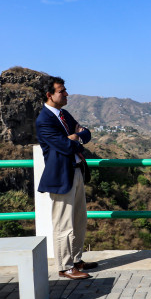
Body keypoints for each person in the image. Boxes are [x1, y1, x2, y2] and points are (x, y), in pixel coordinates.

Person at [36, 76, 98, 280]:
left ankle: (77, 260)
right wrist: (74, 137)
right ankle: (65, 266)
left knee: (79, 220)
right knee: (64, 224)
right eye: (61, 91)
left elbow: (86, 134)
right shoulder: (44, 120)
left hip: (77, 171)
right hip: (61, 177)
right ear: (49, 95)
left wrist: (76, 136)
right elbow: (64, 146)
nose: (66, 94)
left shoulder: (64, 115)